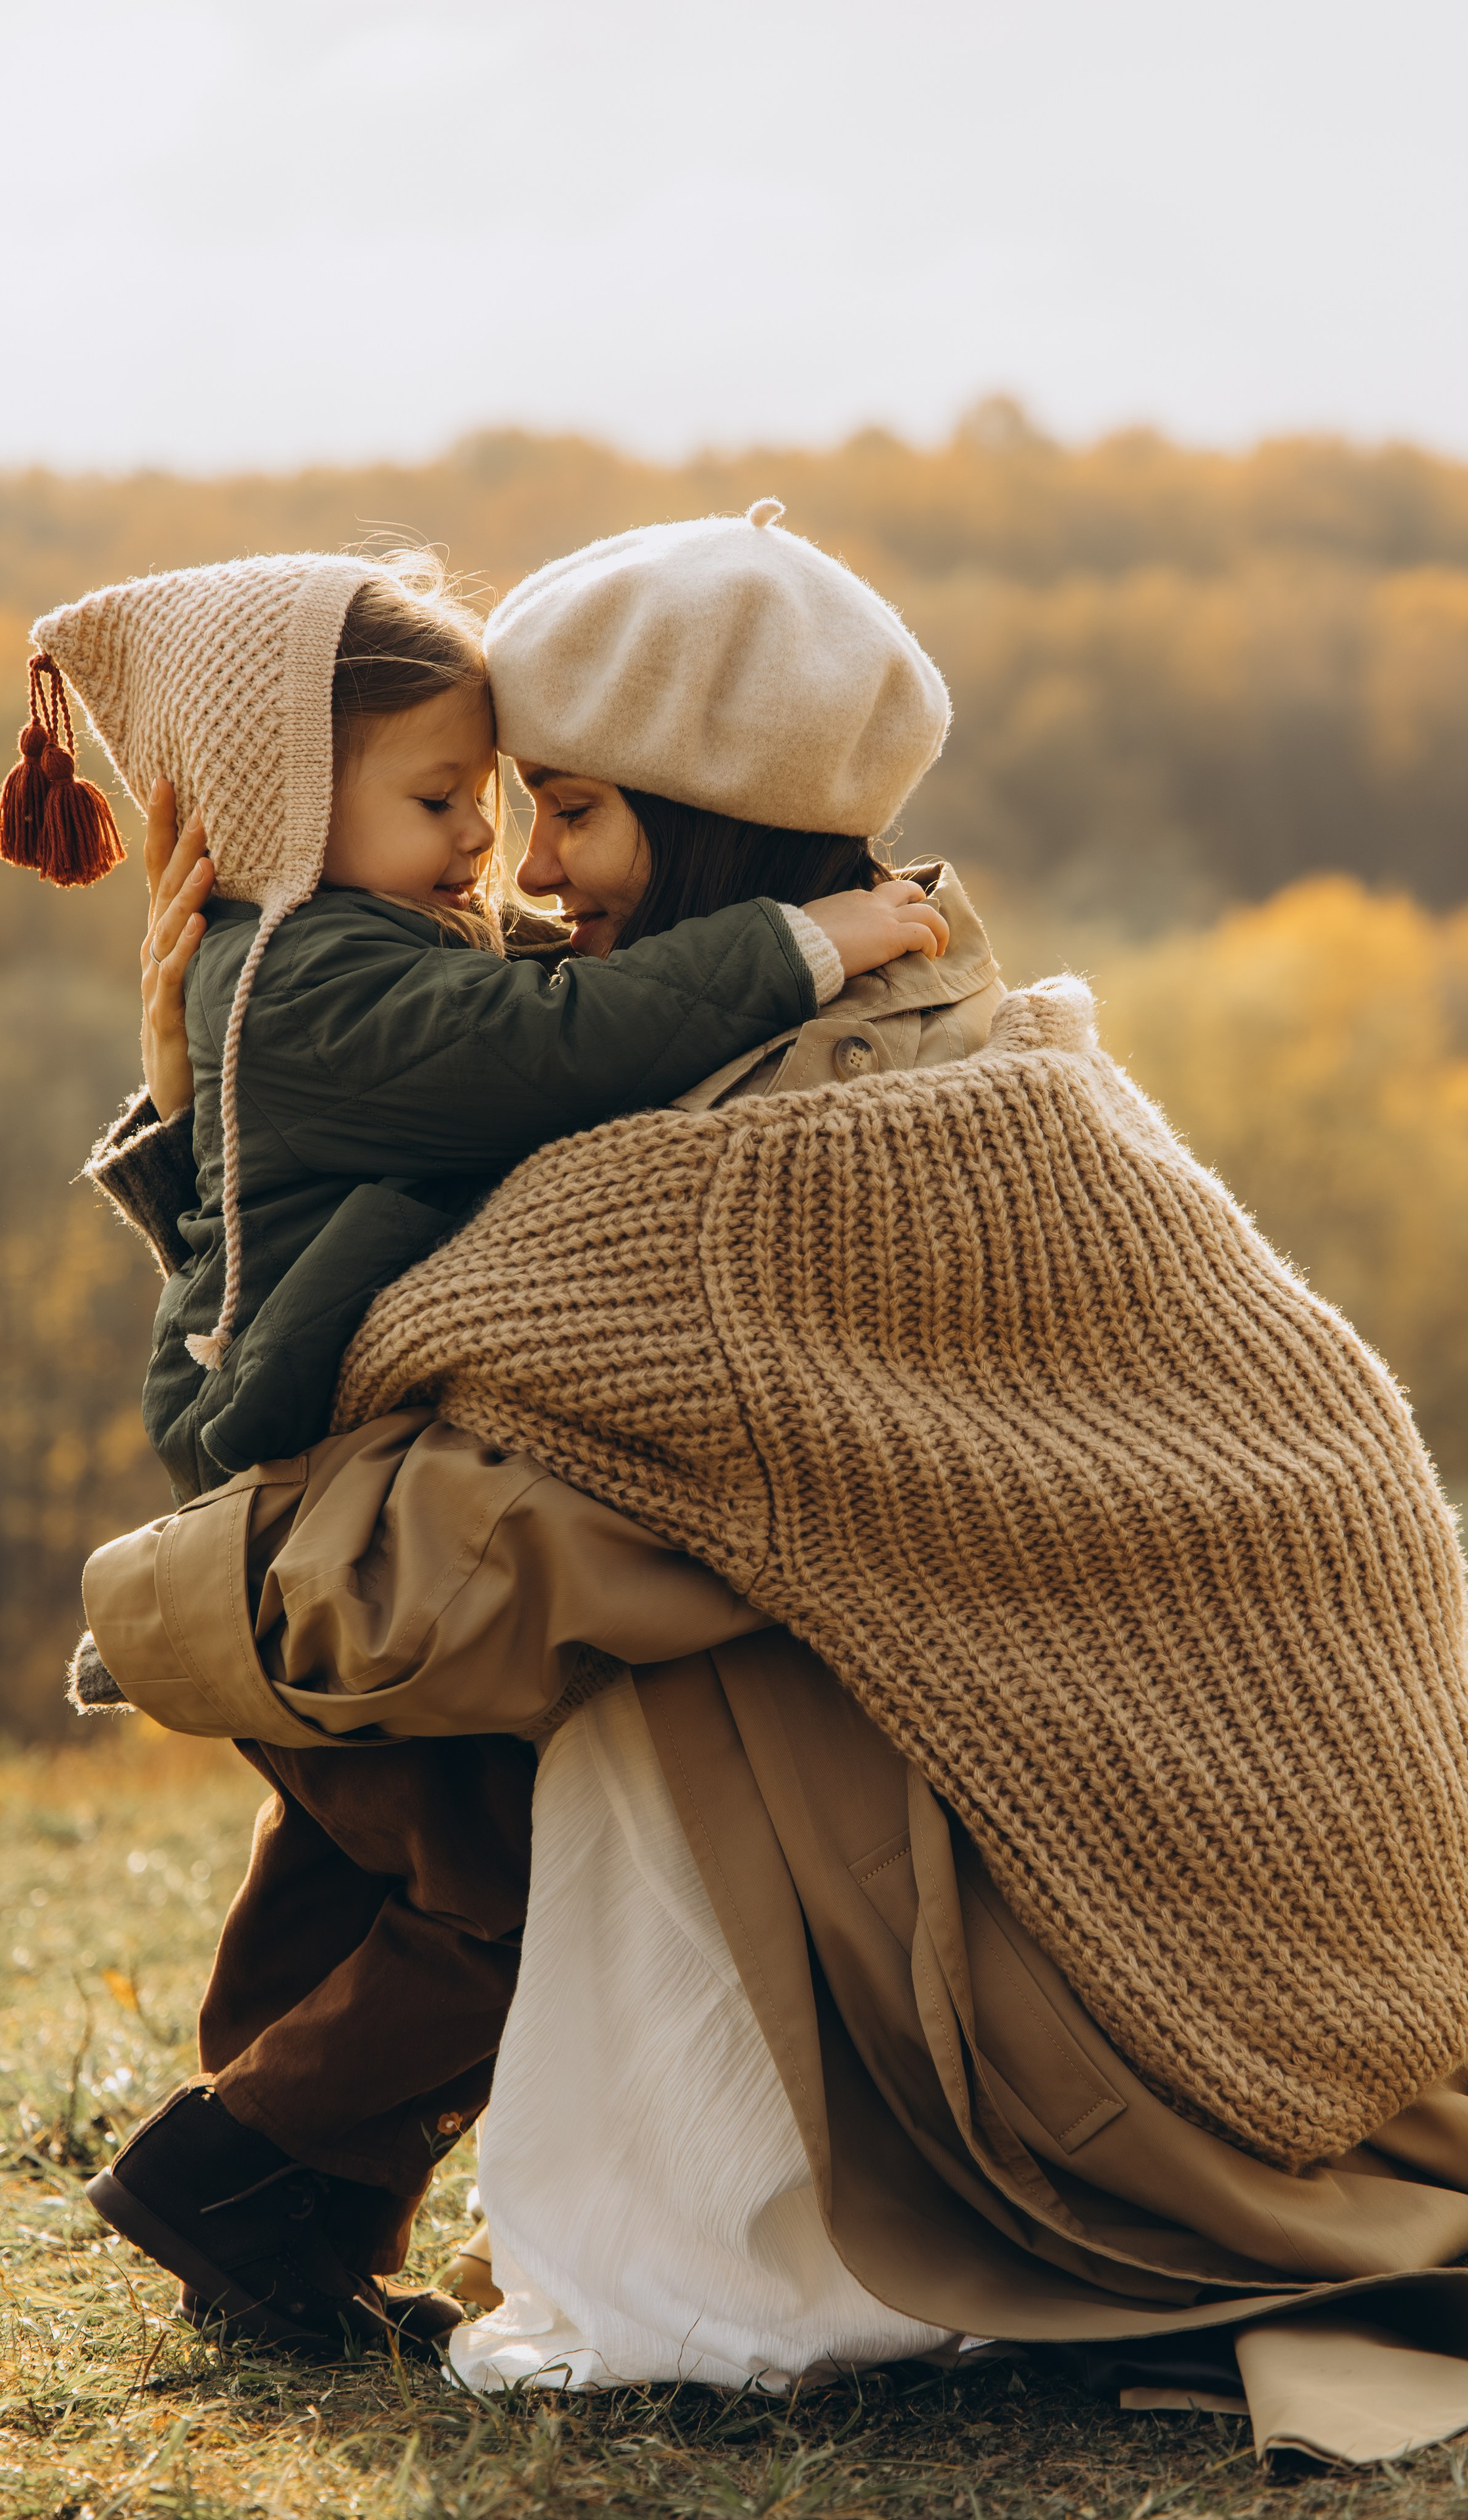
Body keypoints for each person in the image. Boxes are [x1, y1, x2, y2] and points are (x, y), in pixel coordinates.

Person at [83, 508, 1468, 2466]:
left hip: (1135, 1947)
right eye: (501, 805)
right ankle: (274, 2167)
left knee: (599, 1626)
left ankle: (330, 2169)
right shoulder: (978, 1035)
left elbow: (386, 1534)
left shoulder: (729, 1185)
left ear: (709, 823)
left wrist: (159, 1617)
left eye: (572, 813)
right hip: (1337, 1921)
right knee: (621, 1572)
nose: (525, 871)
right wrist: (212, 1088)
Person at [20, 526, 948, 2352]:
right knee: (500, 1881)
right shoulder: (311, 978)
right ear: (291, 800)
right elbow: (552, 1043)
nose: (485, 847)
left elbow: (509, 997)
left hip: (296, 1511)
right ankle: (245, 2172)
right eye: (447, 795)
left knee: (363, 1857)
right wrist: (802, 939)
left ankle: (271, 2227)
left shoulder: (315, 954)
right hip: (303, 1510)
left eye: (507, 798)